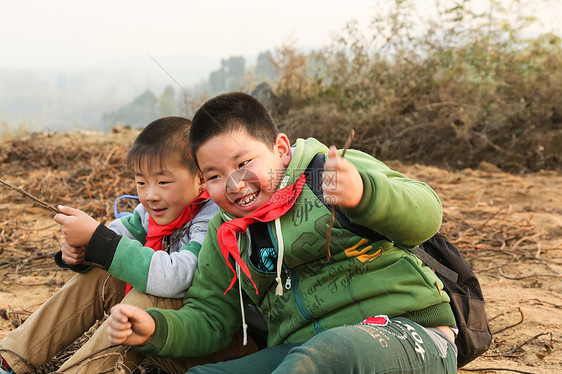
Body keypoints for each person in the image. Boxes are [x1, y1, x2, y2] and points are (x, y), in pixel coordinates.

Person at [108, 93, 457, 373]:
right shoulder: (224, 232)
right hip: (297, 352)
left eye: (244, 163)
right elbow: (211, 319)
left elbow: (427, 214)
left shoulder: (325, 174)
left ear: (281, 149)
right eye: (214, 175)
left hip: (408, 333)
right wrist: (155, 329)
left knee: (326, 356)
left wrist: (364, 195)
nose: (234, 183)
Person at [0, 117, 256, 374]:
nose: (150, 195)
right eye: (141, 182)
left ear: (200, 179)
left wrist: (102, 243)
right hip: (165, 337)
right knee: (103, 273)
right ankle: (11, 358)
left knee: (147, 297)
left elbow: (179, 276)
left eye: (163, 182)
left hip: (218, 349)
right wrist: (82, 252)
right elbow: (116, 237)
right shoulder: (151, 212)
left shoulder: (212, 217)